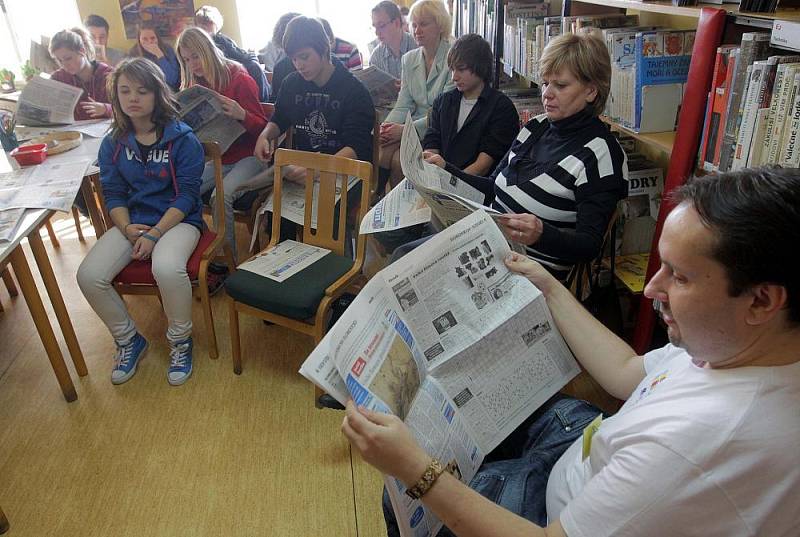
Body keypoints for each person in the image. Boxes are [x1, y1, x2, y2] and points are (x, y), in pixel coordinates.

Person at [343, 166, 800, 536]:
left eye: (679, 277)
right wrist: (549, 290)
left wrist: (416, 470)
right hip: (592, 444)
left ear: (761, 301)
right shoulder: (741, 344)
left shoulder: (696, 448)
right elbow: (627, 371)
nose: (652, 288)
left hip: (553, 513)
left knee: (408, 486)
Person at [396, 32, 628, 281]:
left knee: (414, 276)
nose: (547, 93)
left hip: (531, 274)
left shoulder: (601, 154)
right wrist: (445, 170)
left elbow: (590, 246)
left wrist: (542, 233)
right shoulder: (535, 127)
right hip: (488, 250)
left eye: (560, 85)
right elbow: (491, 188)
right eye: (545, 82)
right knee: (402, 258)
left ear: (591, 91)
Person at [76, 58, 205, 386]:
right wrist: (126, 228)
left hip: (178, 221)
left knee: (166, 267)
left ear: (158, 94)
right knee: (89, 275)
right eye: (124, 91)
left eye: (142, 91)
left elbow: (187, 196)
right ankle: (129, 339)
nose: (133, 97)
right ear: (116, 95)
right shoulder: (113, 142)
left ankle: (180, 339)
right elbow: (114, 193)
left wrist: (156, 233)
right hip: (133, 221)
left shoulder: (183, 139)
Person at [377, 33, 519, 254]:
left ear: (479, 67)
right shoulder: (445, 101)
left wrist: (449, 184)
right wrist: (430, 171)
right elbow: (432, 141)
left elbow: (483, 164)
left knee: (418, 246)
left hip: (471, 192)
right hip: (437, 187)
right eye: (452, 69)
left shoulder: (501, 107)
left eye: (461, 69)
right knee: (384, 230)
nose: (454, 77)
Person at [253, 16, 374, 238]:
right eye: (294, 59)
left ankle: (329, 266)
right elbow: (280, 117)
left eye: (304, 57)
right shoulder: (292, 83)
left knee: (326, 222)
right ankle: (285, 263)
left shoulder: (354, 91)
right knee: (278, 216)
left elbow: (357, 147)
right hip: (304, 169)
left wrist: (318, 169)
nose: (299, 65)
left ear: (324, 49)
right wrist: (265, 135)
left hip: (344, 171)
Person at [176, 27, 268, 265]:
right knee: (183, 190)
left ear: (208, 50)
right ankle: (198, 247)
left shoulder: (238, 78)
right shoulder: (192, 85)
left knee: (221, 195)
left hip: (250, 155)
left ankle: (227, 262)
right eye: (186, 59)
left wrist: (242, 113)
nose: (193, 64)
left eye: (196, 56)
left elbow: (265, 130)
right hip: (218, 158)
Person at [378, 0, 455, 190]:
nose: (417, 30)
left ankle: (382, 196)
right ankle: (381, 196)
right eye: (414, 24)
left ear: (440, 25)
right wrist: (386, 128)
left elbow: (443, 113)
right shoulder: (409, 59)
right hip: (413, 125)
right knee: (383, 145)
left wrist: (404, 130)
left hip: (439, 130)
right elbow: (404, 103)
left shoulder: (453, 57)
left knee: (397, 160)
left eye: (424, 24)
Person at [194, 5, 270, 102]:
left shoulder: (222, 41)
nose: (204, 28)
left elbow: (243, 57)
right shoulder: (196, 47)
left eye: (207, 23)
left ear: (216, 25)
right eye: (201, 25)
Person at [49, 27, 113, 120]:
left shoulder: (108, 75)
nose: (65, 65)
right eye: (59, 61)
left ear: (82, 51)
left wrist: (105, 109)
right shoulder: (58, 78)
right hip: (71, 132)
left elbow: (128, 111)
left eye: (68, 58)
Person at [369, 0, 418, 79]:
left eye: (381, 26)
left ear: (397, 23)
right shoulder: (376, 57)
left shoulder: (417, 46)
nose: (377, 32)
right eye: (374, 27)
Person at [129, 21, 181, 91]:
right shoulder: (134, 54)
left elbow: (172, 80)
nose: (149, 42)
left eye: (153, 38)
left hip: (170, 91)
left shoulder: (168, 50)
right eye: (145, 39)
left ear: (157, 38)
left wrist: (159, 55)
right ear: (139, 40)